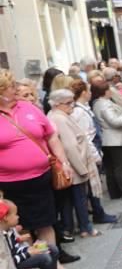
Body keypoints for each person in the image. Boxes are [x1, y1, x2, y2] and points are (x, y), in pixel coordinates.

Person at [0, 69, 73, 253]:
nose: (15, 89)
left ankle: (53, 265)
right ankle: (35, 268)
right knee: (20, 227)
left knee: (46, 223)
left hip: (40, 178)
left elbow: (51, 136)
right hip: (10, 184)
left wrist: (64, 163)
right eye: (10, 87)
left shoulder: (28, 107)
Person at [46, 89, 97, 238]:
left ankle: (69, 228)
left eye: (72, 102)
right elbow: (70, 146)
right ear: (57, 104)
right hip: (73, 166)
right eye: (68, 103)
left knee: (67, 200)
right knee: (79, 198)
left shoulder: (54, 115)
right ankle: (85, 228)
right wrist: (82, 169)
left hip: (67, 165)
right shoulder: (60, 118)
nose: (72, 106)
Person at [70, 81, 115, 225]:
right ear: (83, 93)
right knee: (92, 185)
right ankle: (97, 213)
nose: (90, 93)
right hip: (89, 150)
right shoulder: (79, 112)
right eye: (88, 90)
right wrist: (95, 155)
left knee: (93, 185)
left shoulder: (84, 108)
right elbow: (85, 137)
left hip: (93, 146)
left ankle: (98, 212)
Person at [91, 81, 122, 201]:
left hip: (109, 139)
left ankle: (115, 193)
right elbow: (114, 121)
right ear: (105, 91)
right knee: (120, 168)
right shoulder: (104, 104)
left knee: (111, 168)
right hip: (115, 139)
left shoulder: (98, 103)